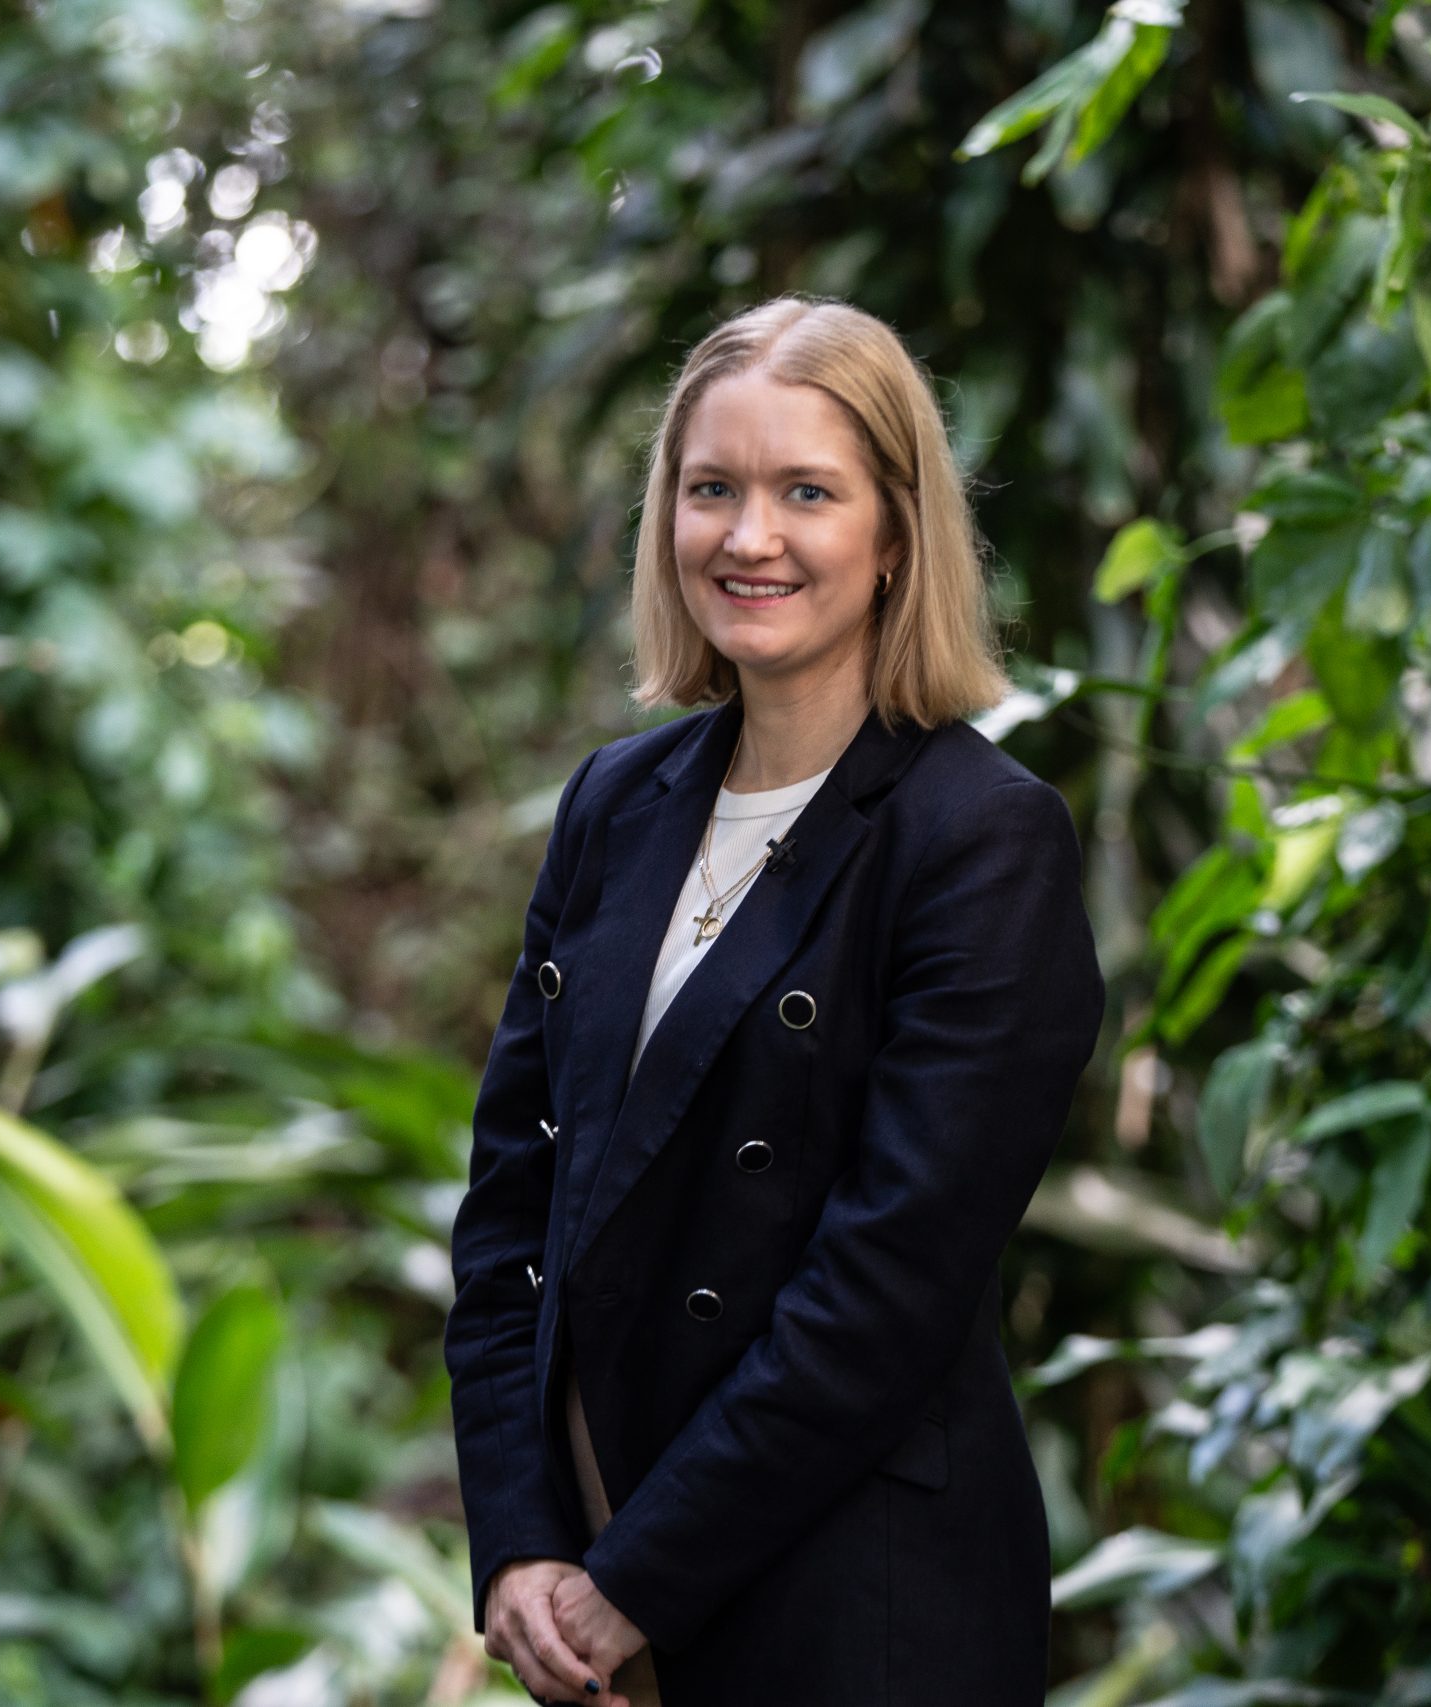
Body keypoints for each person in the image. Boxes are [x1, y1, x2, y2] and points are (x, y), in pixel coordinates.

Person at [444, 294, 1106, 1706]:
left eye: (808, 490)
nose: (750, 538)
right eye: (712, 490)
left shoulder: (980, 839)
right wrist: (518, 1548)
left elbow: (884, 1293)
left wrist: (634, 1583)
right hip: (595, 1590)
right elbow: (513, 1211)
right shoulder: (615, 807)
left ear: (895, 536)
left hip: (853, 1603)